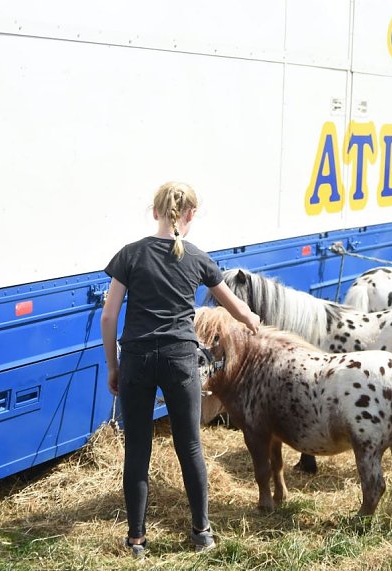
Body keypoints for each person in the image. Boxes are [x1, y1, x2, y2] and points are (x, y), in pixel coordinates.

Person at [101, 181, 260, 557]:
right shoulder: (197, 258)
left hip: (137, 360)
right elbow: (235, 308)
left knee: (137, 450)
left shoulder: (130, 255)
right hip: (180, 360)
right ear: (190, 215)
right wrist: (254, 321)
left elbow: (109, 316)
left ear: (155, 212)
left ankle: (137, 541)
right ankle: (201, 532)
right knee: (189, 445)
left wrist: (113, 365)